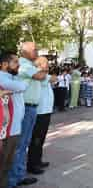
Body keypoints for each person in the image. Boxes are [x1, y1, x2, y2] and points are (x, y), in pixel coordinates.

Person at [9, 42, 48, 187]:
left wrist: (41, 68)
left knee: (24, 143)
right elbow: (40, 76)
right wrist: (43, 67)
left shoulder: (29, 65)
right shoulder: (24, 65)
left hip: (30, 108)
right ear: (25, 52)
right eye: (35, 49)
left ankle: (19, 174)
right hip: (25, 108)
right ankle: (15, 178)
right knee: (20, 145)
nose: (37, 52)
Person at [0, 53, 28, 188]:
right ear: (5, 64)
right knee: (4, 163)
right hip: (6, 129)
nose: (19, 65)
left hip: (14, 127)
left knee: (7, 162)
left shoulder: (12, 77)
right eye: (15, 62)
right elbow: (23, 86)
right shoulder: (2, 77)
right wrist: (20, 84)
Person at [27, 57, 55, 174]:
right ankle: (32, 164)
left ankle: (38, 160)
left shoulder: (43, 75)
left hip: (46, 111)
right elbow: (54, 78)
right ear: (38, 64)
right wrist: (44, 71)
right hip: (40, 112)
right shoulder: (39, 75)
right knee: (36, 139)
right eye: (45, 63)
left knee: (41, 138)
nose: (48, 66)